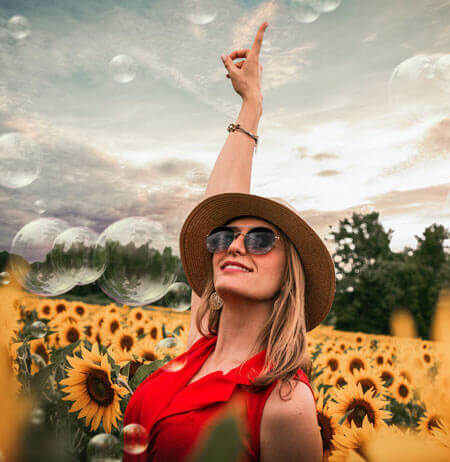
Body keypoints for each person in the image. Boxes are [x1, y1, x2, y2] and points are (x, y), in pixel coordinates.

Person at [124, 22, 335, 462]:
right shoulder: (199, 348)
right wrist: (251, 106)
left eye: (260, 239)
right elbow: (219, 201)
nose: (234, 246)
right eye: (224, 237)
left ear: (288, 275)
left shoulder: (284, 401)